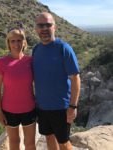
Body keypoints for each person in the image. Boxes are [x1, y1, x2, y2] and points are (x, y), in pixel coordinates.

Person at [32, 12, 81, 150]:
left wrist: (72, 107)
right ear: (36, 29)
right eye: (41, 25)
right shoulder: (36, 49)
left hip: (61, 107)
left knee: (63, 142)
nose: (44, 28)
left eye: (48, 24)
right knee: (48, 137)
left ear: (55, 27)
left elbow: (76, 79)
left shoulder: (64, 48)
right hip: (42, 107)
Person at [0, 23, 36, 150]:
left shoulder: (30, 61)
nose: (16, 44)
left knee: (30, 144)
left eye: (19, 40)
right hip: (9, 110)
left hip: (29, 109)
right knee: (14, 143)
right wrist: (0, 113)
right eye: (13, 41)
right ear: (8, 43)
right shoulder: (1, 62)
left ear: (24, 42)